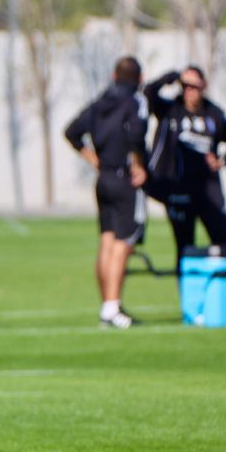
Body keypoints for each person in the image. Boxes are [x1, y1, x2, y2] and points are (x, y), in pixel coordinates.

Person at [64, 56, 149, 329]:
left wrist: (91, 157)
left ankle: (108, 306)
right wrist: (139, 164)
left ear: (114, 76)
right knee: (123, 244)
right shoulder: (136, 101)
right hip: (125, 179)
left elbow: (72, 131)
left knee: (108, 241)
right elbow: (137, 134)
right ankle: (112, 307)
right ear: (140, 79)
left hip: (104, 179)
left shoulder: (101, 101)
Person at [144, 66, 226, 274]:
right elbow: (148, 92)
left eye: (194, 86)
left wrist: (223, 160)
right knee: (185, 248)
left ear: (203, 86)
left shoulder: (214, 114)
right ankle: (189, 292)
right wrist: (173, 76)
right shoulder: (170, 110)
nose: (189, 91)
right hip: (179, 189)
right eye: (185, 86)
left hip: (209, 191)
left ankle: (224, 288)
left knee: (224, 243)